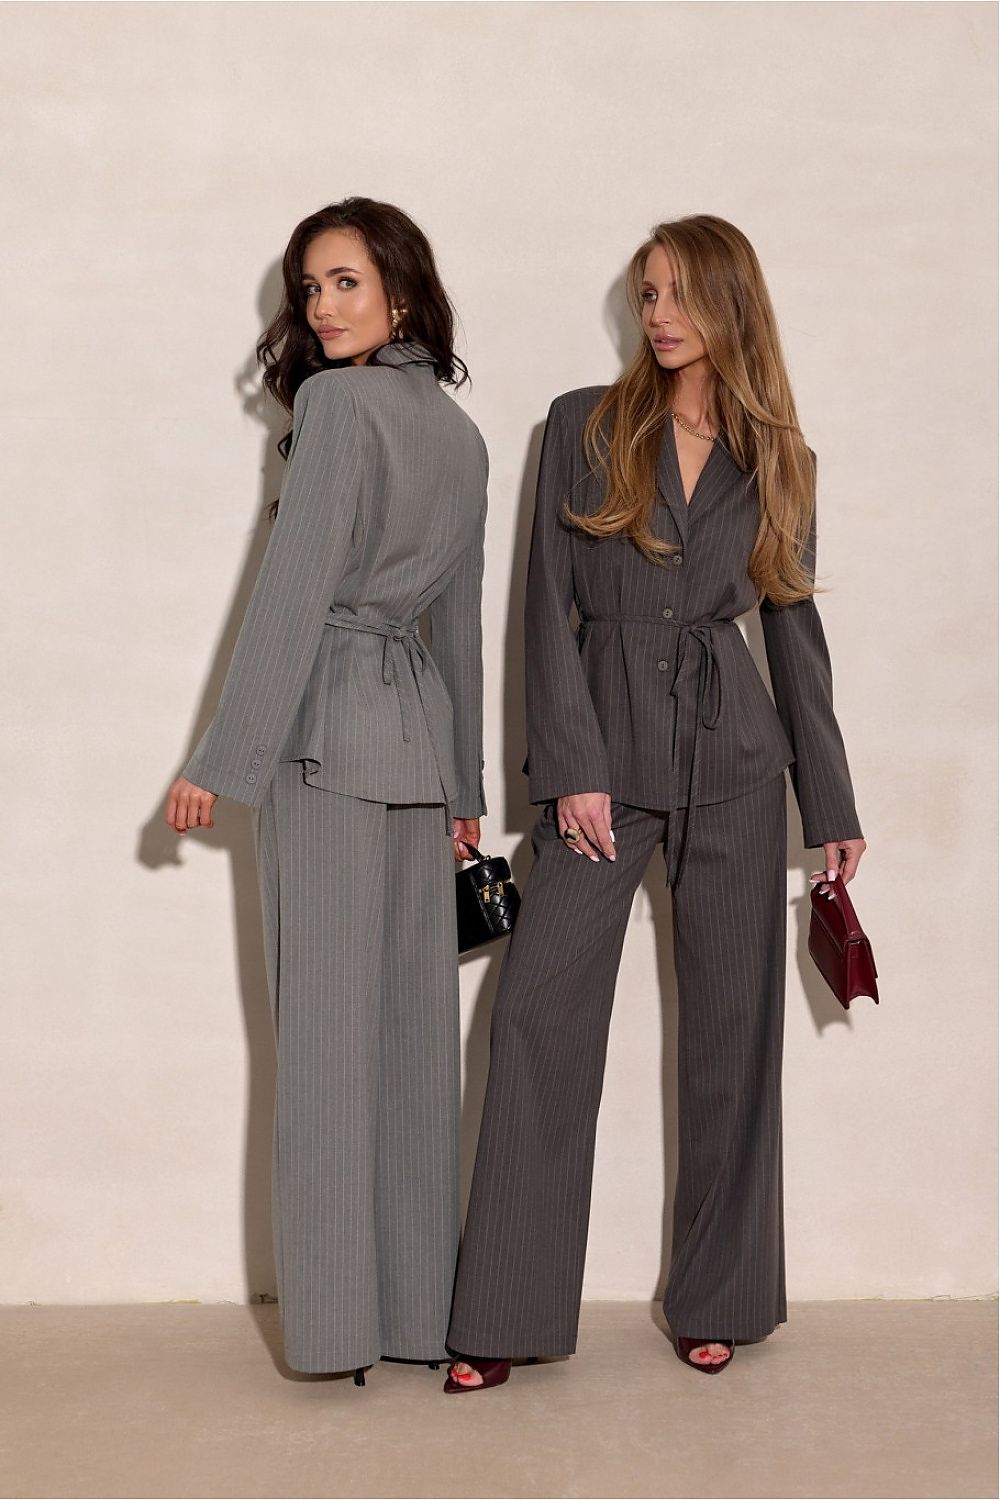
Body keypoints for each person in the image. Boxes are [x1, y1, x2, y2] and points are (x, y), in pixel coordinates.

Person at [444, 214, 865, 1391]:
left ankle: (718, 1296)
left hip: (736, 761)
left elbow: (792, 632)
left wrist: (830, 801)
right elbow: (544, 607)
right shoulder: (582, 424)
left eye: (680, 292)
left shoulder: (781, 459)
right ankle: (506, 1310)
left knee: (733, 1035)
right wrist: (570, 765)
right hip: (602, 761)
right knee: (537, 1016)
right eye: (647, 293)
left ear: (732, 303)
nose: (660, 314)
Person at [165, 197, 488, 1383]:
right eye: (310, 288)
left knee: (323, 1046)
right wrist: (464, 785)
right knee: (413, 1048)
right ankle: (416, 1320)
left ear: (400, 290)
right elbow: (459, 624)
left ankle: (338, 1334)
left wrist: (220, 761)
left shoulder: (338, 407)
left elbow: (294, 592)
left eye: (345, 282)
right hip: (416, 753)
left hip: (324, 750)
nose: (322, 307)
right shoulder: (461, 434)